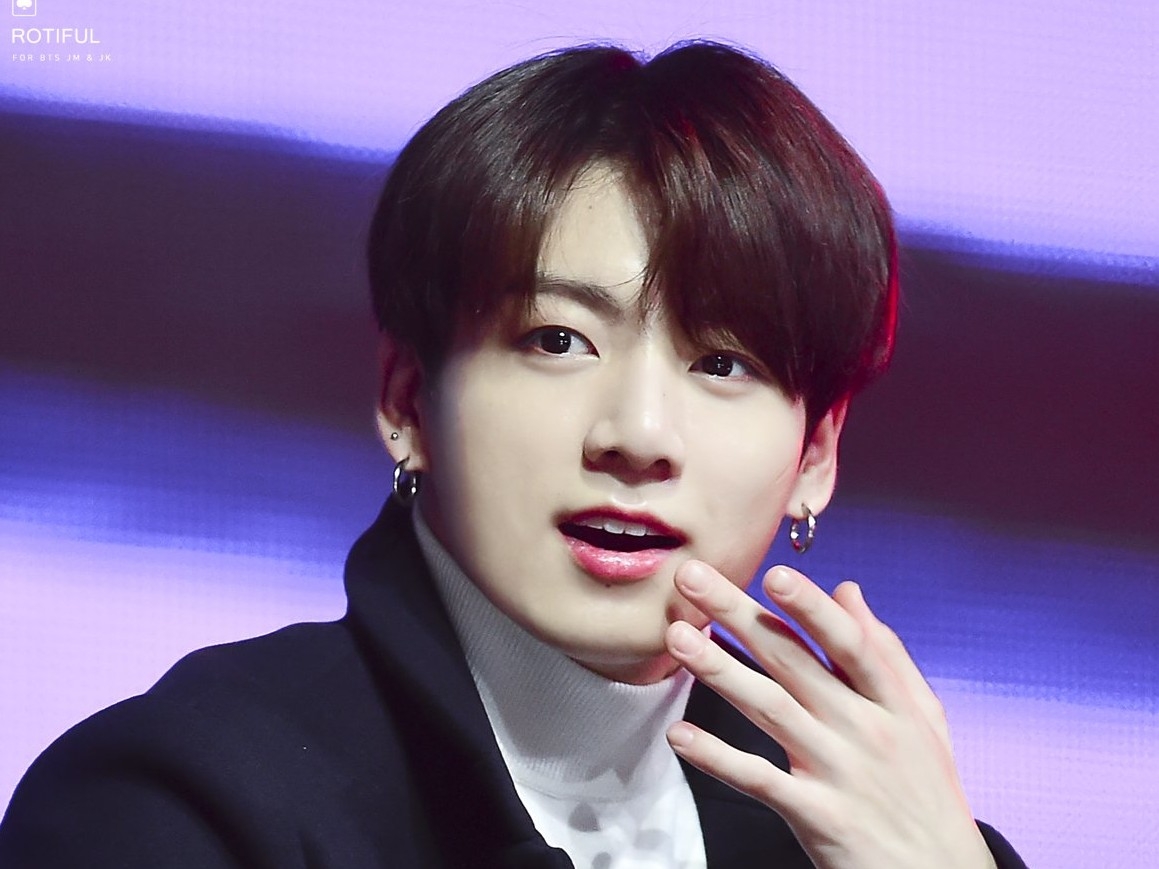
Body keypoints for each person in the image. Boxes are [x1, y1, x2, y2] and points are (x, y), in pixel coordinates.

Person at [0, 41, 1027, 868]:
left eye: (721, 363)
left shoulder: (859, 836)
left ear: (814, 457)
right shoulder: (180, 801)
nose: (636, 434)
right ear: (407, 398)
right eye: (557, 340)